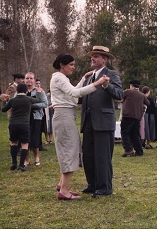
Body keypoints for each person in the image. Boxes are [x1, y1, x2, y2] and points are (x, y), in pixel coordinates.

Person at [50, 54, 107, 200]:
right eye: (71, 65)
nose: (73, 68)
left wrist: (83, 79)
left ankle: (62, 184)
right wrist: (97, 83)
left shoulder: (61, 78)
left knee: (70, 148)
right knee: (70, 150)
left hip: (65, 115)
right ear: (62, 64)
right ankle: (64, 190)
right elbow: (75, 93)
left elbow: (72, 94)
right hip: (64, 116)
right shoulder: (59, 78)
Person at [80, 46, 123, 198]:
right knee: (88, 155)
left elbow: (119, 94)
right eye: (92, 56)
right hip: (88, 121)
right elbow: (81, 96)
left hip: (103, 122)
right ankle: (92, 184)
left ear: (104, 59)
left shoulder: (111, 74)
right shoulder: (88, 77)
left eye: (96, 56)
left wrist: (106, 85)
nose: (93, 58)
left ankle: (104, 187)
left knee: (102, 156)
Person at [1, 83, 44, 172]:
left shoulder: (12, 100)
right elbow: (39, 100)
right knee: (24, 144)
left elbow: (4, 109)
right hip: (24, 124)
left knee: (14, 143)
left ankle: (14, 163)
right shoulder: (28, 99)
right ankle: (22, 165)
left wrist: (4, 100)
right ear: (25, 91)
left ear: (17, 91)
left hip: (13, 124)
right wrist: (39, 92)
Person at [120, 80, 149, 157]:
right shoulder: (142, 95)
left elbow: (119, 97)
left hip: (127, 116)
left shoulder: (127, 92)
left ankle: (128, 149)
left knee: (125, 133)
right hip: (137, 117)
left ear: (131, 85)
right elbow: (147, 103)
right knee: (135, 134)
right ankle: (139, 151)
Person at [24, 72, 48, 166]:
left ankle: (37, 156)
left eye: (31, 78)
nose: (29, 80)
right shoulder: (21, 91)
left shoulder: (39, 91)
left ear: (34, 80)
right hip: (24, 118)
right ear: (24, 80)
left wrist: (32, 106)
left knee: (35, 138)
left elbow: (44, 104)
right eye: (27, 78)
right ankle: (26, 159)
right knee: (24, 138)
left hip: (36, 117)